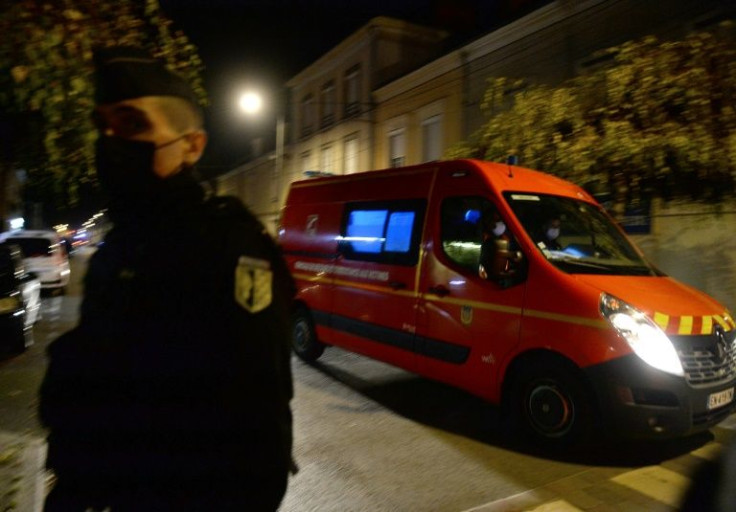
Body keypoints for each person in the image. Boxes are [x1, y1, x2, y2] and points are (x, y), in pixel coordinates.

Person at [39, 46, 296, 512]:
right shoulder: (116, 252)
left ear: (192, 146)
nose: (112, 141)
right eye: (105, 126)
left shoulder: (231, 250)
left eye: (134, 124)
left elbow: (259, 438)